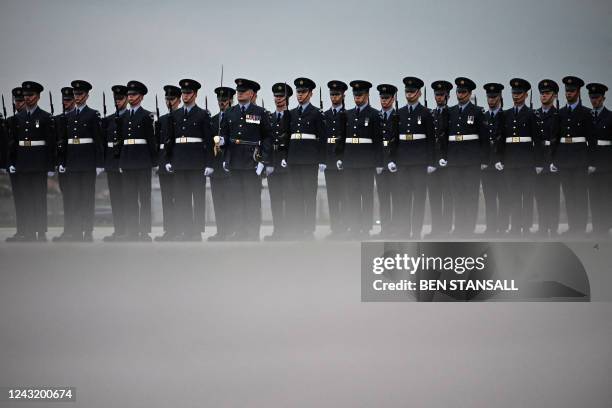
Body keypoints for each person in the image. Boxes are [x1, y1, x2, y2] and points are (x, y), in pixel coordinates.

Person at [220, 78, 272, 240]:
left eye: (243, 91)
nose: (240, 93)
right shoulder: (229, 112)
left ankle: (252, 232)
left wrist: (263, 161)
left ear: (251, 94)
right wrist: (223, 149)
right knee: (236, 199)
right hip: (235, 161)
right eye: (238, 91)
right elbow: (225, 136)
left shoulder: (260, 112)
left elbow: (267, 138)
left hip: (252, 162)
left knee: (251, 199)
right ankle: (239, 231)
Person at [163, 79, 213, 242]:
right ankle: (184, 229)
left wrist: (209, 163)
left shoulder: (202, 114)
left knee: (197, 197)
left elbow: (208, 141)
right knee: (181, 198)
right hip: (179, 161)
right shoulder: (174, 115)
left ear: (195, 94)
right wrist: (168, 159)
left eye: (188, 93)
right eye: (183, 93)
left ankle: (196, 231)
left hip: (197, 162)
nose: (185, 96)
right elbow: (170, 139)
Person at [6, 81, 54, 242]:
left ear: (38, 96)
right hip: (22, 163)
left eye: (31, 95)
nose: (27, 98)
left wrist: (50, 165)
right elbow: (12, 144)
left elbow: (50, 143)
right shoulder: (17, 118)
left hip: (38, 163)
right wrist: (12, 163)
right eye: (25, 96)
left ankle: (40, 231)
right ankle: (27, 231)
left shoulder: (45, 117)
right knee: (25, 198)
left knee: (38, 198)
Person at [387, 77, 434, 239]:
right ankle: (404, 230)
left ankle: (416, 231)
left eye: (412, 92)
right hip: (402, 162)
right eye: (407, 91)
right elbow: (394, 139)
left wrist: (431, 161)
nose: (409, 94)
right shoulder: (398, 113)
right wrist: (392, 159)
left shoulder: (426, 113)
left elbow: (431, 139)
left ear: (419, 93)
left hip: (420, 162)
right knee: (402, 199)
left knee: (419, 199)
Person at [335, 80, 382, 239]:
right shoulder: (347, 114)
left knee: (366, 195)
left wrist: (378, 162)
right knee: (352, 195)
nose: (357, 97)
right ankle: (354, 227)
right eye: (355, 95)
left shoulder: (374, 114)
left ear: (367, 95)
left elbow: (377, 141)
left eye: (360, 94)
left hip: (367, 162)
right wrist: (340, 156)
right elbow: (342, 137)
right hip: (350, 161)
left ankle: (366, 227)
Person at [440, 77, 485, 238]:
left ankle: (469, 228)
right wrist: (444, 156)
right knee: (457, 195)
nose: (460, 94)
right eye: (458, 91)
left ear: (470, 93)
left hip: (471, 161)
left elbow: (483, 138)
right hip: (454, 160)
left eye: (464, 92)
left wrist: (484, 160)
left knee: (470, 195)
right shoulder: (449, 111)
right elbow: (444, 136)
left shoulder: (477, 112)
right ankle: (458, 227)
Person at [498, 78, 541, 237]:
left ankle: (527, 226)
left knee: (527, 195)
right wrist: (500, 160)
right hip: (510, 162)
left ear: (526, 94)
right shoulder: (506, 114)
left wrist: (538, 163)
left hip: (527, 162)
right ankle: (515, 226)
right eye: (514, 93)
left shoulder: (531, 114)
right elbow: (501, 139)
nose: (516, 96)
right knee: (513, 195)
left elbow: (537, 140)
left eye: (519, 93)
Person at [555, 76, 594, 237]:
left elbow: (591, 140)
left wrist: (592, 161)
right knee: (569, 195)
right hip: (564, 160)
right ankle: (572, 227)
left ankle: (581, 228)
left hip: (580, 160)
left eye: (571, 91)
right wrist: (556, 160)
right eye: (567, 91)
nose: (568, 94)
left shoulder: (586, 113)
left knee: (580, 195)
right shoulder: (560, 113)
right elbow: (556, 138)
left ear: (578, 92)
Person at [118, 80, 157, 241]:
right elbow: (120, 141)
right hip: (127, 160)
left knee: (144, 197)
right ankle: (131, 230)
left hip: (142, 161)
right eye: (128, 95)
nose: (130, 97)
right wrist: (120, 161)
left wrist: (154, 162)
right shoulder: (123, 116)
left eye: (133, 95)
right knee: (129, 198)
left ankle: (144, 231)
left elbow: (151, 140)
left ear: (140, 97)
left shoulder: (146, 116)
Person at [426, 80, 453, 238]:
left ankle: (446, 228)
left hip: (448, 164)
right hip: (433, 164)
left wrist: (447, 158)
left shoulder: (452, 114)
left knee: (447, 197)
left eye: (442, 94)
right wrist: (431, 161)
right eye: (437, 94)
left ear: (448, 96)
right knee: (435, 198)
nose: (439, 97)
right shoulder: (431, 114)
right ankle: (435, 228)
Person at [265, 82, 292, 241]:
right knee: (275, 198)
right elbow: (267, 141)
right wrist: (267, 162)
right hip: (273, 163)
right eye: (276, 96)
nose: (278, 99)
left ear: (287, 97)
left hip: (286, 163)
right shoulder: (270, 117)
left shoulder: (292, 116)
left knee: (288, 198)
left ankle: (288, 230)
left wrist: (288, 159)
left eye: (281, 96)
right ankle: (277, 230)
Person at [534, 79, 561, 237]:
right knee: (540, 196)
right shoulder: (535, 114)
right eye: (542, 94)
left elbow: (560, 140)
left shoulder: (558, 115)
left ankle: (553, 227)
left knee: (553, 196)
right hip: (538, 160)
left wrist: (555, 161)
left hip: (553, 159)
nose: (544, 96)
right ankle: (543, 226)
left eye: (547, 93)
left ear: (554, 95)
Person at [208, 86, 236, 241]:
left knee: (230, 201)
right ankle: (221, 230)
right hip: (216, 164)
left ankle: (231, 230)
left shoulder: (234, 118)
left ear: (231, 100)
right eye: (219, 100)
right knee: (218, 200)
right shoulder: (213, 120)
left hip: (230, 165)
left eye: (224, 100)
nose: (221, 103)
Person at [154, 85, 181, 242]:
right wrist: (160, 163)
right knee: (167, 199)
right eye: (167, 99)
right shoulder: (162, 120)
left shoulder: (181, 117)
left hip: (178, 164)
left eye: (172, 99)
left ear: (178, 100)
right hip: (164, 164)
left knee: (179, 199)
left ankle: (180, 229)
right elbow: (159, 145)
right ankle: (169, 230)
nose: (169, 102)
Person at [102, 85, 129, 242]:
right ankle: (118, 229)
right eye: (116, 99)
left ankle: (130, 229)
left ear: (126, 98)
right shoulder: (109, 120)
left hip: (126, 163)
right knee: (116, 199)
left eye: (120, 99)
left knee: (128, 198)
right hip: (112, 163)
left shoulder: (129, 118)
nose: (117, 102)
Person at [323, 80, 349, 239]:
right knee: (332, 197)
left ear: (343, 95)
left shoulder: (348, 114)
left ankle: (345, 227)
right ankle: (335, 229)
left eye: (337, 94)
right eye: (332, 94)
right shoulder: (324, 115)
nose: (334, 97)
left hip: (344, 162)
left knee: (344, 196)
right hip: (329, 161)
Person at [586, 82, 612, 238]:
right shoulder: (587, 116)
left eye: (597, 97)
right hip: (590, 163)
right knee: (594, 196)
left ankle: (605, 226)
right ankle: (597, 226)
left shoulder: (610, 117)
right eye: (592, 97)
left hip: (606, 164)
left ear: (603, 98)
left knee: (606, 196)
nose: (594, 100)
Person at [374, 83, 397, 238]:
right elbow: (374, 143)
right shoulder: (376, 117)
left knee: (396, 199)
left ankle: (395, 229)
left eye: (387, 97)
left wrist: (395, 160)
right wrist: (378, 162)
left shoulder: (399, 116)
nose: (384, 100)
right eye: (382, 98)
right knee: (383, 199)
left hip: (395, 166)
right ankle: (385, 229)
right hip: (380, 166)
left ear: (393, 98)